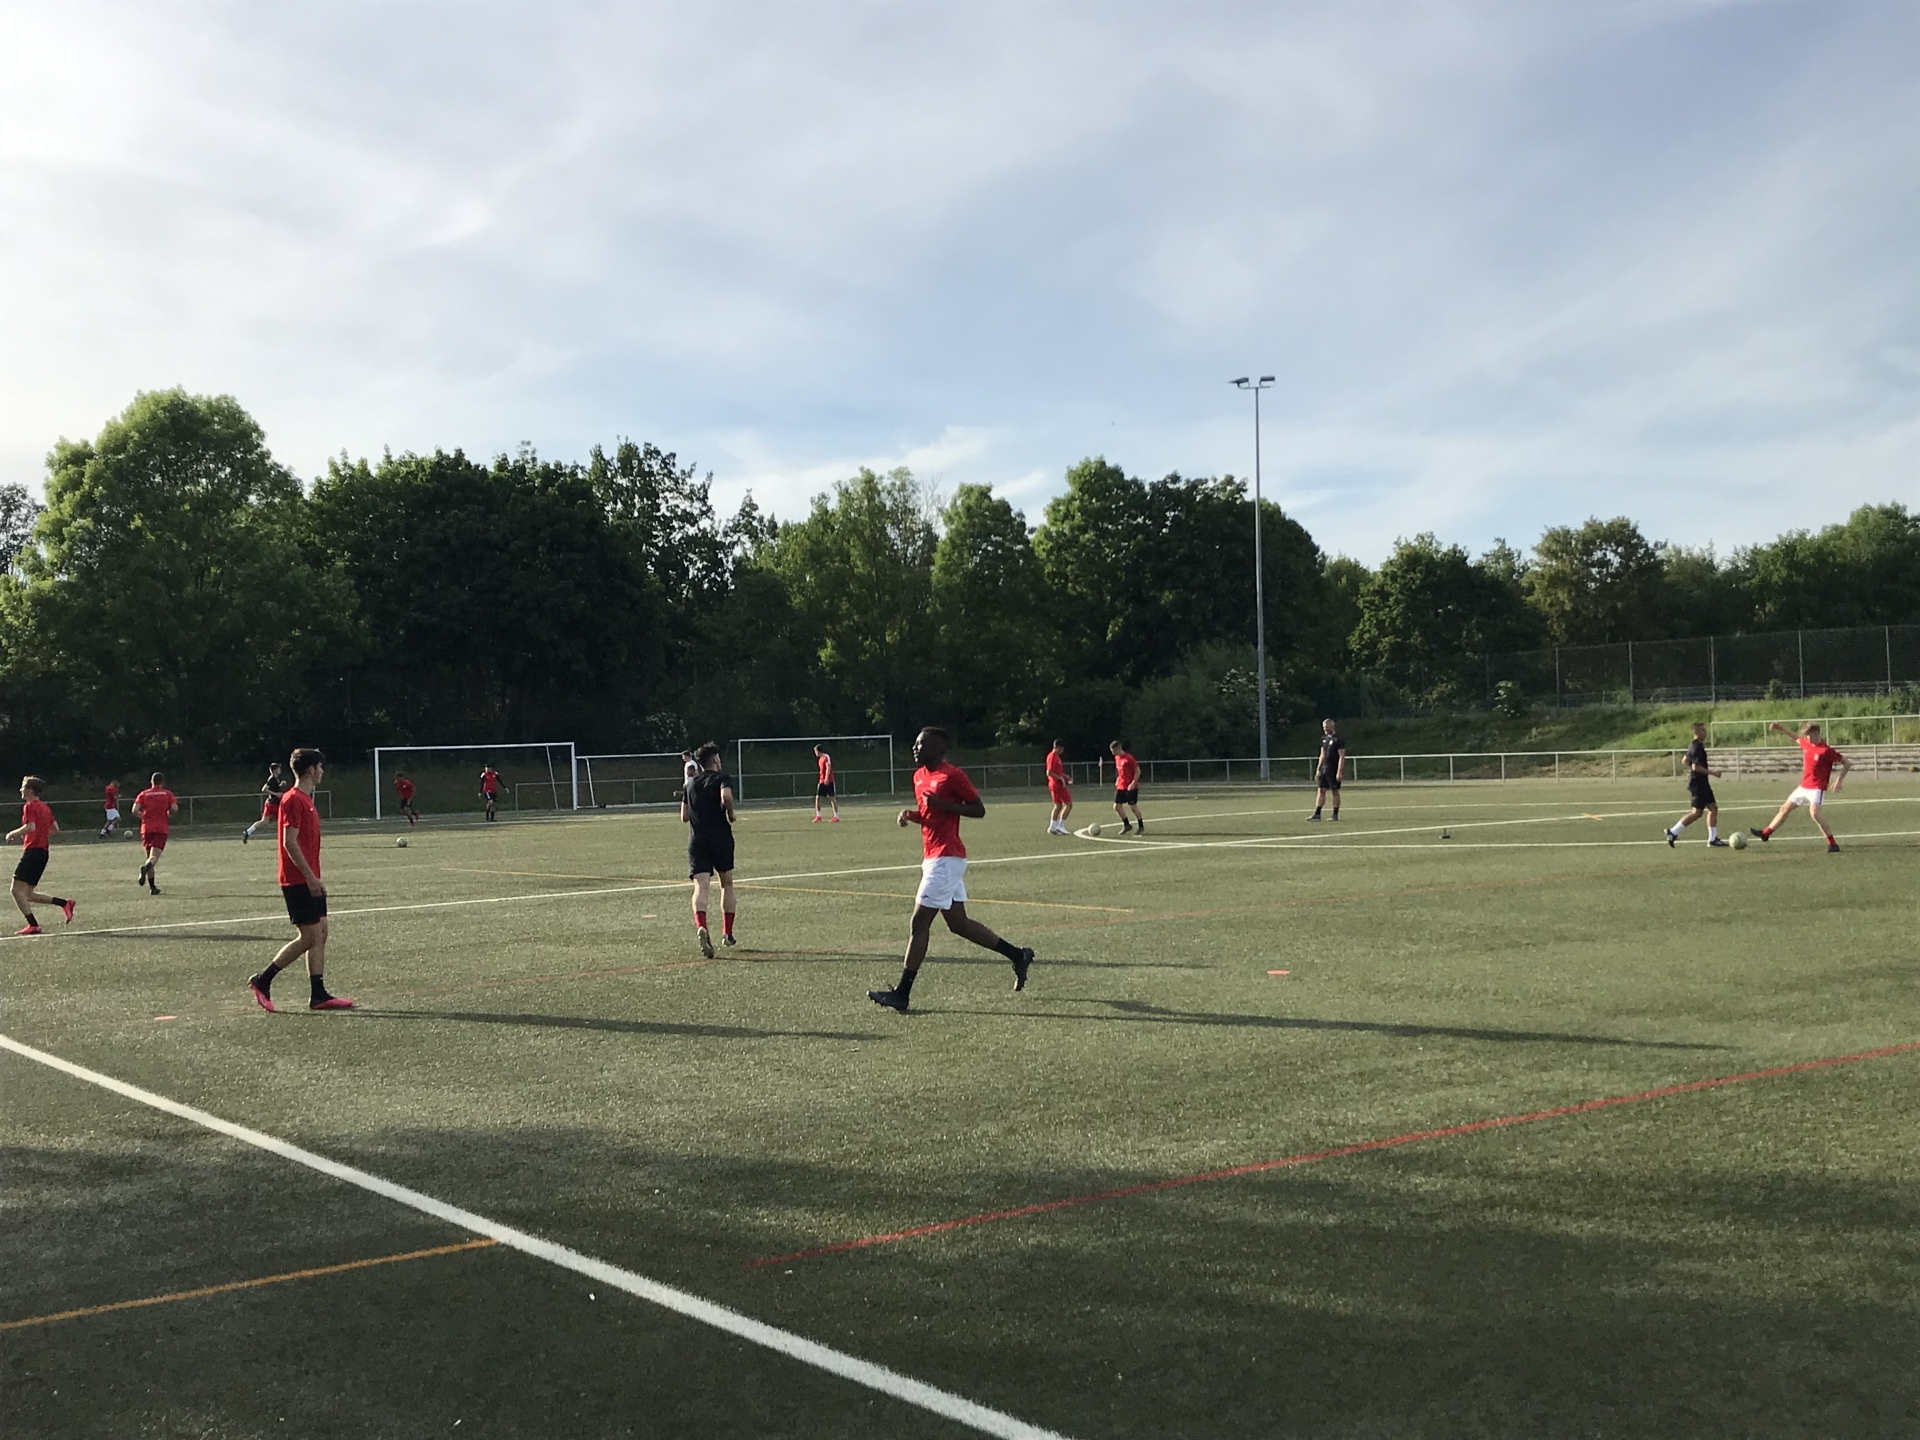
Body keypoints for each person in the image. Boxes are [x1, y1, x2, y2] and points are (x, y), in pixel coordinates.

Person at [868, 727, 1034, 1012]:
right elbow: (932, 816)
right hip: (933, 857)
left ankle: (902, 993)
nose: (915, 748)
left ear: (939, 749)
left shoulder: (952, 775)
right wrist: (912, 815)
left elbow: (978, 810)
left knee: (919, 924)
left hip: (947, 858)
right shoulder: (918, 776)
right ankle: (1018, 955)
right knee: (958, 924)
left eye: (921, 744)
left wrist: (943, 804)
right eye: (915, 743)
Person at [248, 748, 352, 1011]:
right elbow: (289, 842)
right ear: (310, 769)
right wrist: (310, 878)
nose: (322, 771)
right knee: (309, 936)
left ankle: (319, 995)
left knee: (321, 933)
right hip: (297, 880)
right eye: (320, 767)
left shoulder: (306, 799)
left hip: (310, 878)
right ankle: (263, 980)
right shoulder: (293, 799)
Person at [1751, 721, 1849, 853]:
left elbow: (1847, 763)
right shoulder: (1807, 744)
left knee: (1814, 813)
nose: (1806, 738)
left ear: (1816, 733)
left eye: (1809, 735)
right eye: (1806, 735)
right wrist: (1780, 727)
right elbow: (1795, 737)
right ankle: (1765, 833)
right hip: (1804, 786)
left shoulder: (1826, 750)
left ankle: (1832, 844)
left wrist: (1839, 781)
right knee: (1784, 808)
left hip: (1817, 787)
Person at [680, 742, 737, 957]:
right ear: (714, 760)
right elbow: (726, 797)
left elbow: (684, 816)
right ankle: (727, 933)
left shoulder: (691, 784)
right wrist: (730, 813)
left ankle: (701, 925)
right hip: (720, 838)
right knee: (726, 884)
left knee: (701, 887)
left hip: (698, 840)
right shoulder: (721, 778)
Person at [8, 776, 75, 935]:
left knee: (16, 890)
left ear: (30, 790)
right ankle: (65, 903)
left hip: (33, 852)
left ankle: (34, 925)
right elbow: (55, 828)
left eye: (23, 787)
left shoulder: (30, 806)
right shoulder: (45, 807)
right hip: (42, 853)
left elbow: (30, 827)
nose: (20, 790)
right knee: (28, 894)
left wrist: (12, 833)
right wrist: (40, 836)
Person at [1666, 723, 1727, 848]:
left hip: (1697, 783)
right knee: (1710, 809)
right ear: (1696, 732)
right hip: (1699, 784)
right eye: (1703, 730)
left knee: (1700, 812)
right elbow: (1695, 766)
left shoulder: (1692, 745)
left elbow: (1685, 760)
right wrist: (1713, 773)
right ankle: (1712, 839)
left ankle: (1674, 832)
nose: (1705, 732)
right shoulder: (1697, 746)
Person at [132, 772, 177, 895]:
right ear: (162, 782)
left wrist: (143, 817)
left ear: (151, 781)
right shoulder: (167, 794)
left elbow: (134, 810)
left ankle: (152, 888)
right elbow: (174, 808)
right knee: (154, 857)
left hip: (146, 829)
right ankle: (145, 869)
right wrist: (168, 814)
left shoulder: (144, 794)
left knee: (149, 857)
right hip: (161, 828)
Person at [241, 760, 291, 843]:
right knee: (284, 820)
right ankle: (288, 839)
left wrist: (280, 785)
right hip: (273, 804)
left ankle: (248, 831)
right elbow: (264, 789)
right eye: (279, 769)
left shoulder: (276, 779)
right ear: (275, 770)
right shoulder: (272, 779)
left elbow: (274, 788)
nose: (280, 770)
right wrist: (276, 794)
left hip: (271, 803)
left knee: (264, 822)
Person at [1309, 719, 1345, 821]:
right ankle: (1317, 814)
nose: (1324, 729)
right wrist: (1318, 768)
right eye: (1324, 727)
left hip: (1333, 768)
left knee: (1334, 791)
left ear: (1332, 726)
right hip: (1324, 768)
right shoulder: (1324, 739)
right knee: (1321, 790)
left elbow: (1341, 756)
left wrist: (1339, 771)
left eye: (1326, 727)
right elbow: (1322, 754)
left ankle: (1335, 814)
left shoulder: (1338, 739)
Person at [1109, 740, 1144, 835]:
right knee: (1116, 806)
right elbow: (1120, 771)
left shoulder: (1129, 758)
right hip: (1121, 786)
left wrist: (1133, 783)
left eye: (1114, 751)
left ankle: (1141, 826)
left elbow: (1138, 771)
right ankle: (1127, 825)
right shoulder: (1117, 758)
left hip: (1131, 787)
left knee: (1133, 807)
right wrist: (1118, 780)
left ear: (1119, 748)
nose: (1113, 753)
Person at [1045, 739, 1074, 835]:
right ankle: (1061, 826)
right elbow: (1049, 772)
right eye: (1061, 749)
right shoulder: (1052, 757)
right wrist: (1060, 779)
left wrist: (1066, 777)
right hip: (1057, 785)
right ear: (1057, 748)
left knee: (1058, 805)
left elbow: (1058, 772)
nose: (1062, 751)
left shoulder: (1056, 757)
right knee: (1069, 804)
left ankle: (1052, 827)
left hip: (1055, 784)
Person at [812, 744, 840, 823]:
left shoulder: (826, 757)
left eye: (815, 751)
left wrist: (827, 778)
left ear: (818, 751)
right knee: (818, 798)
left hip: (828, 780)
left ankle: (836, 816)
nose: (815, 753)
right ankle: (818, 816)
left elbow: (828, 767)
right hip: (821, 781)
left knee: (832, 798)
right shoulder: (820, 759)